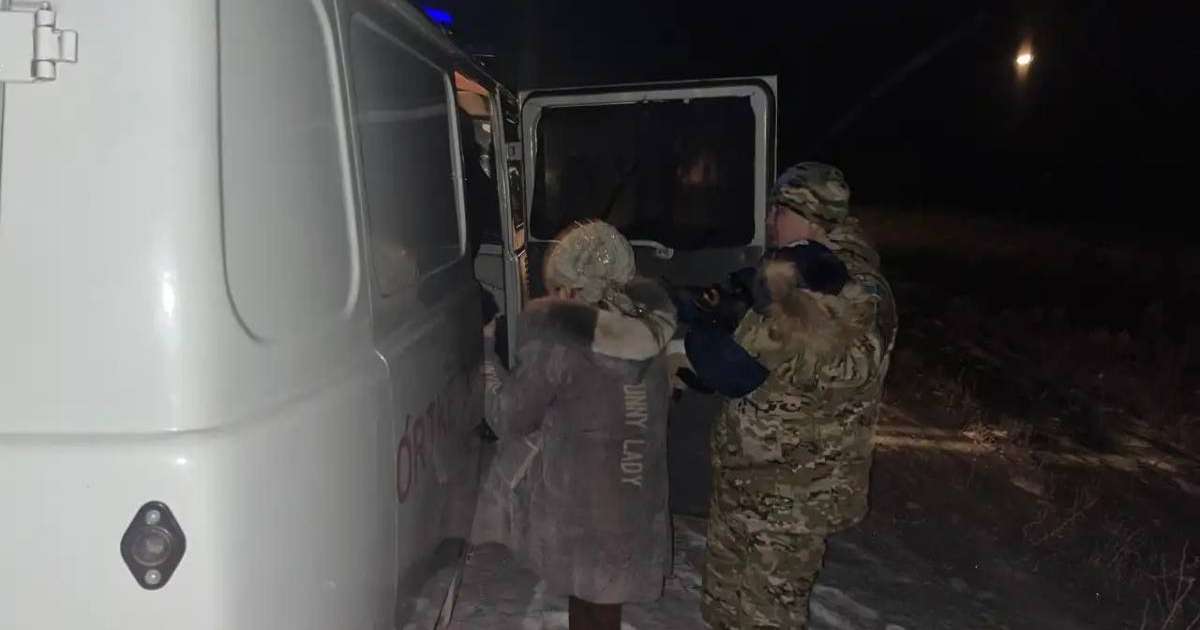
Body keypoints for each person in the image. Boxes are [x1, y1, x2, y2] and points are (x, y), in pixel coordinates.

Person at [480, 221, 678, 630]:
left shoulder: (562, 347)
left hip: (582, 516)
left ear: (572, 289)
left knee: (589, 605)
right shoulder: (650, 339)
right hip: (633, 506)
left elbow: (508, 415)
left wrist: (486, 356)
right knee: (601, 605)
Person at [701, 238, 890, 629]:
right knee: (726, 608)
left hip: (791, 509)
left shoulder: (836, 339)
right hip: (747, 491)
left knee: (767, 617)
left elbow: (810, 358)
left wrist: (742, 319)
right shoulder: (799, 328)